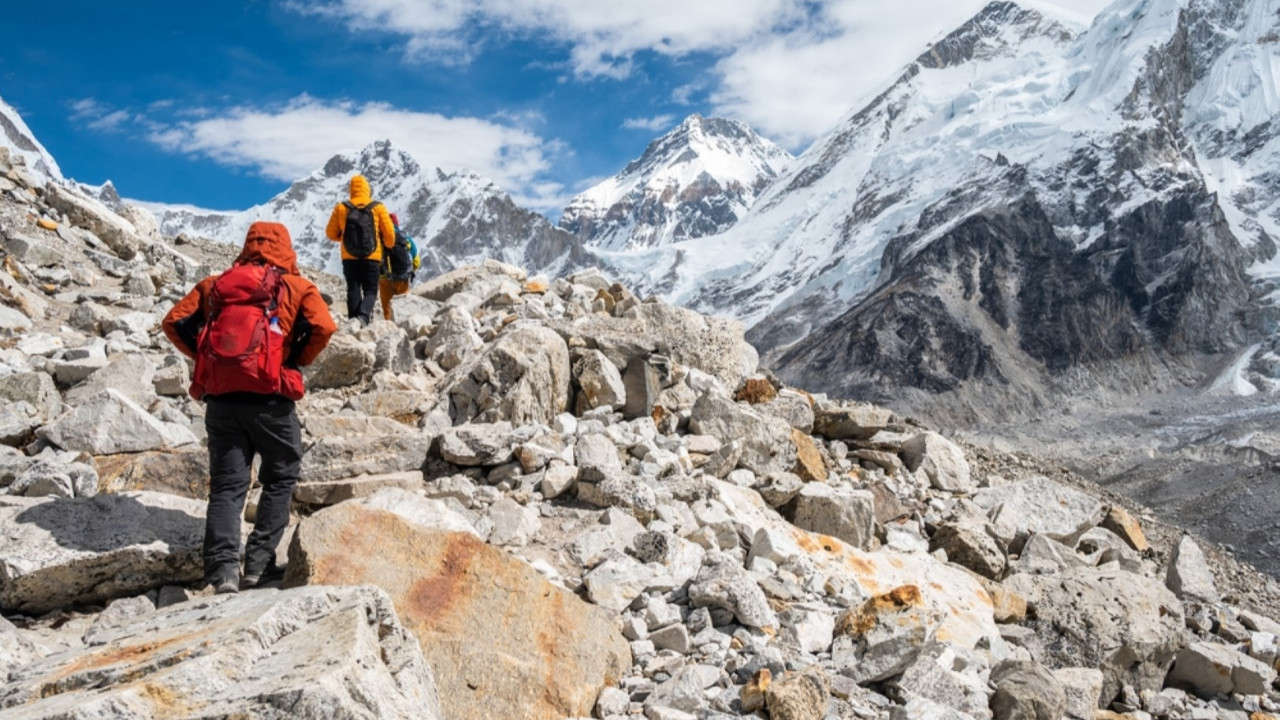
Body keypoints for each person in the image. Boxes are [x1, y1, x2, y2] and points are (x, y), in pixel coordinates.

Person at [162, 221, 336, 594]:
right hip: (271, 398)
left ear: (247, 245)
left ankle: (223, 571)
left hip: (222, 401)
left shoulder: (218, 285)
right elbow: (324, 326)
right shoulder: (296, 286)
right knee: (282, 474)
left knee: (227, 486)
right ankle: (258, 564)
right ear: (286, 247)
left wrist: (209, 360)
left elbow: (174, 321)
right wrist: (292, 361)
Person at [325, 174, 396, 326]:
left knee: (353, 288)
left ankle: (353, 322)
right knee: (370, 290)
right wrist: (386, 245)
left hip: (349, 257)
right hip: (372, 256)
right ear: (367, 189)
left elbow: (330, 233)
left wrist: (342, 237)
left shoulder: (341, 208)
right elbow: (390, 236)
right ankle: (363, 318)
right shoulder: (378, 207)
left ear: (351, 189)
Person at [378, 212, 420, 321]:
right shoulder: (405, 238)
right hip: (402, 278)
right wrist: (409, 270)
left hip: (384, 279)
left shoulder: (380, 239)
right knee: (405, 306)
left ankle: (389, 328)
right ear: (396, 224)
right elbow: (416, 260)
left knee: (387, 308)